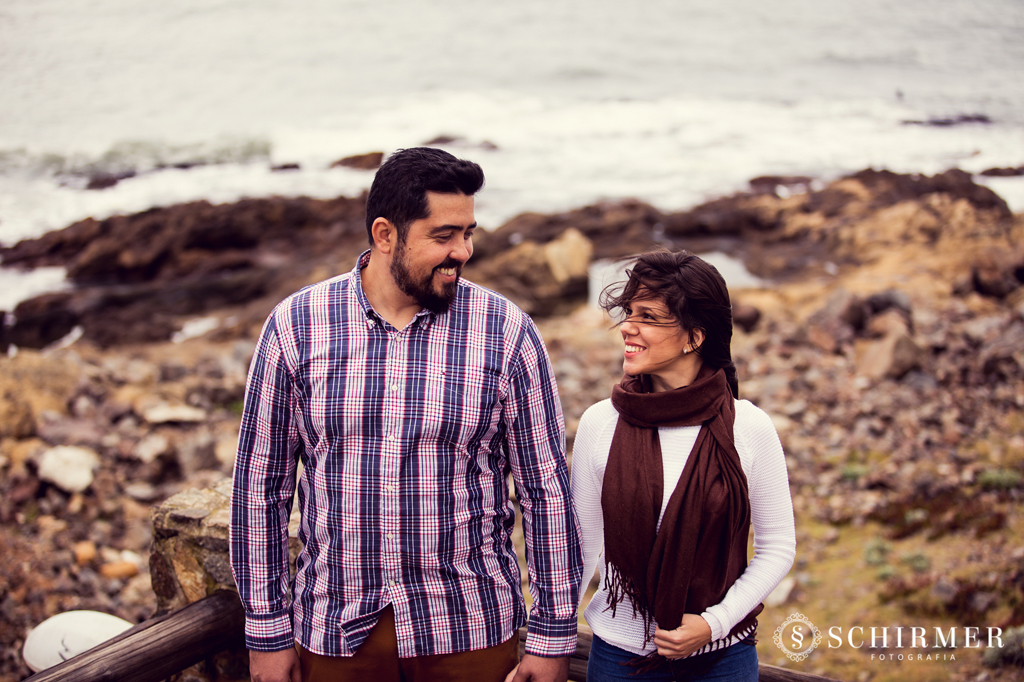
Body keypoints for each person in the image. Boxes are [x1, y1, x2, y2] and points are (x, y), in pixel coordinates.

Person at [230, 147, 583, 682]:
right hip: (337, 632)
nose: (462, 252)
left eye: (468, 233)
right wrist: (266, 631)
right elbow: (261, 488)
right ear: (385, 234)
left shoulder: (506, 332)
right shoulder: (296, 327)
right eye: (443, 236)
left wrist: (553, 634)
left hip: (471, 630)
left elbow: (545, 490)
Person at [570, 250, 796, 681]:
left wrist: (715, 623)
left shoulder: (747, 427)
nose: (628, 328)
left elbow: (778, 546)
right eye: (629, 312)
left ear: (694, 337)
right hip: (621, 657)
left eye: (649, 317)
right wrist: (550, 639)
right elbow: (582, 545)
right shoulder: (602, 423)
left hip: (722, 659)